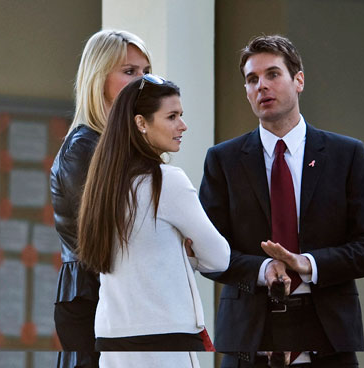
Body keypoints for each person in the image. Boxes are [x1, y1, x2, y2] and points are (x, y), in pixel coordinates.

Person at [199, 34, 364, 367]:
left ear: (298, 80)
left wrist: (309, 264)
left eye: (272, 74)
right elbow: (208, 251)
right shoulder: (223, 160)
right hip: (249, 338)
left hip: (327, 339)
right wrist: (263, 269)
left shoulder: (346, 155)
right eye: (252, 79)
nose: (261, 86)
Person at [77, 75, 230, 368]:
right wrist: (187, 254)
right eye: (172, 116)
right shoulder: (167, 181)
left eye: (181, 116)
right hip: (163, 339)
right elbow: (220, 257)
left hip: (111, 338)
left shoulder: (102, 187)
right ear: (141, 123)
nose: (182, 125)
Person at [50, 29, 151, 368]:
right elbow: (114, 235)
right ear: (99, 77)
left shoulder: (121, 148)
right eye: (129, 71)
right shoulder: (84, 148)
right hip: (93, 302)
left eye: (146, 72)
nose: (143, 82)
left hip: (119, 300)